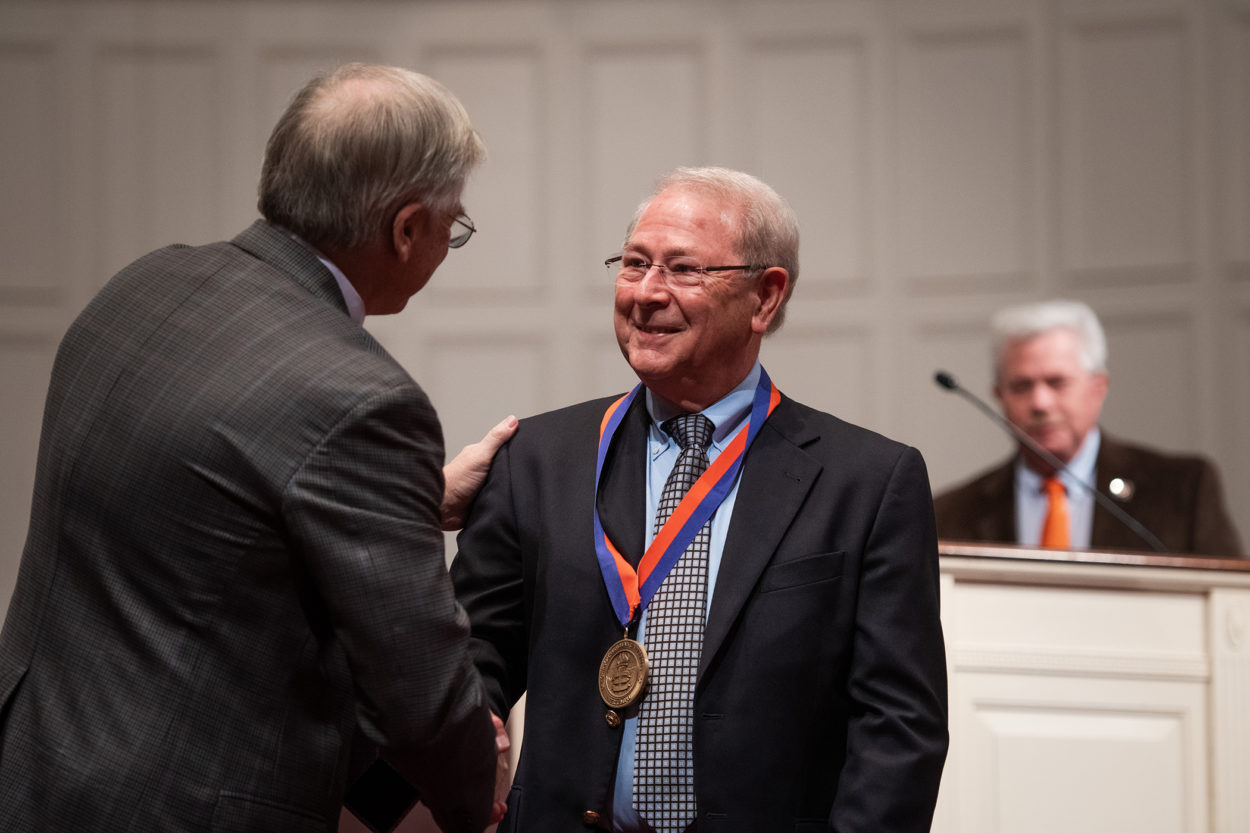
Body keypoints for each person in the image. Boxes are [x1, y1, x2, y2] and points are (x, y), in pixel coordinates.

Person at [0, 63, 515, 833]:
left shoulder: (141, 288)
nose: (448, 241)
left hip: (37, 767)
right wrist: (479, 800)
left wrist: (412, 502)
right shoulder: (361, 398)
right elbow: (419, 697)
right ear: (406, 229)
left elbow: (203, 517)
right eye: (454, 224)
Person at [450, 167, 949, 832]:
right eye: (634, 263)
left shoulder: (867, 482)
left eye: (682, 268)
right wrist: (470, 731)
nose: (647, 294)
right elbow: (471, 652)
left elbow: (899, 729)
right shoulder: (537, 459)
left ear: (765, 297)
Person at [934, 299, 1244, 557]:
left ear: (1098, 387)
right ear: (999, 396)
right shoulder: (951, 513)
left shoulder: (1182, 490)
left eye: (1057, 383)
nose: (1040, 402)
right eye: (1021, 386)